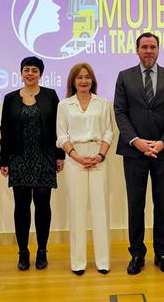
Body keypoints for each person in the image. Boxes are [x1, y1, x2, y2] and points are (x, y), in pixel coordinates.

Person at [114, 32, 164, 275]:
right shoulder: (124, 77)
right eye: (144, 47)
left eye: (153, 47)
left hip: (163, 152)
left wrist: (162, 143)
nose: (149, 51)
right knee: (136, 204)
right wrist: (136, 141)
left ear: (159, 49)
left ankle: (162, 253)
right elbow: (120, 112)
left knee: (163, 203)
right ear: (137, 50)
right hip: (134, 152)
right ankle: (137, 254)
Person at [0, 56, 65, 271]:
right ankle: (23, 252)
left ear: (41, 74)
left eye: (34, 70)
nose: (30, 73)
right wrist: (4, 160)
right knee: (21, 206)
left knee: (43, 204)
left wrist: (59, 156)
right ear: (21, 72)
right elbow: (6, 131)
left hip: (44, 158)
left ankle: (42, 250)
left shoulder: (50, 96)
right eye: (26, 69)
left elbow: (58, 127)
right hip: (18, 159)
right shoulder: (9, 98)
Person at [56, 63, 113, 275]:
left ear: (92, 80)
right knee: (77, 210)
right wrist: (76, 156)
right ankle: (78, 262)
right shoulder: (64, 105)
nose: (83, 81)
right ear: (73, 81)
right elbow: (61, 136)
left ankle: (103, 261)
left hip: (99, 156)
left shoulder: (104, 103)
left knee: (101, 209)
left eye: (87, 77)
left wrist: (100, 155)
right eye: (79, 77)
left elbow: (109, 132)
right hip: (74, 157)